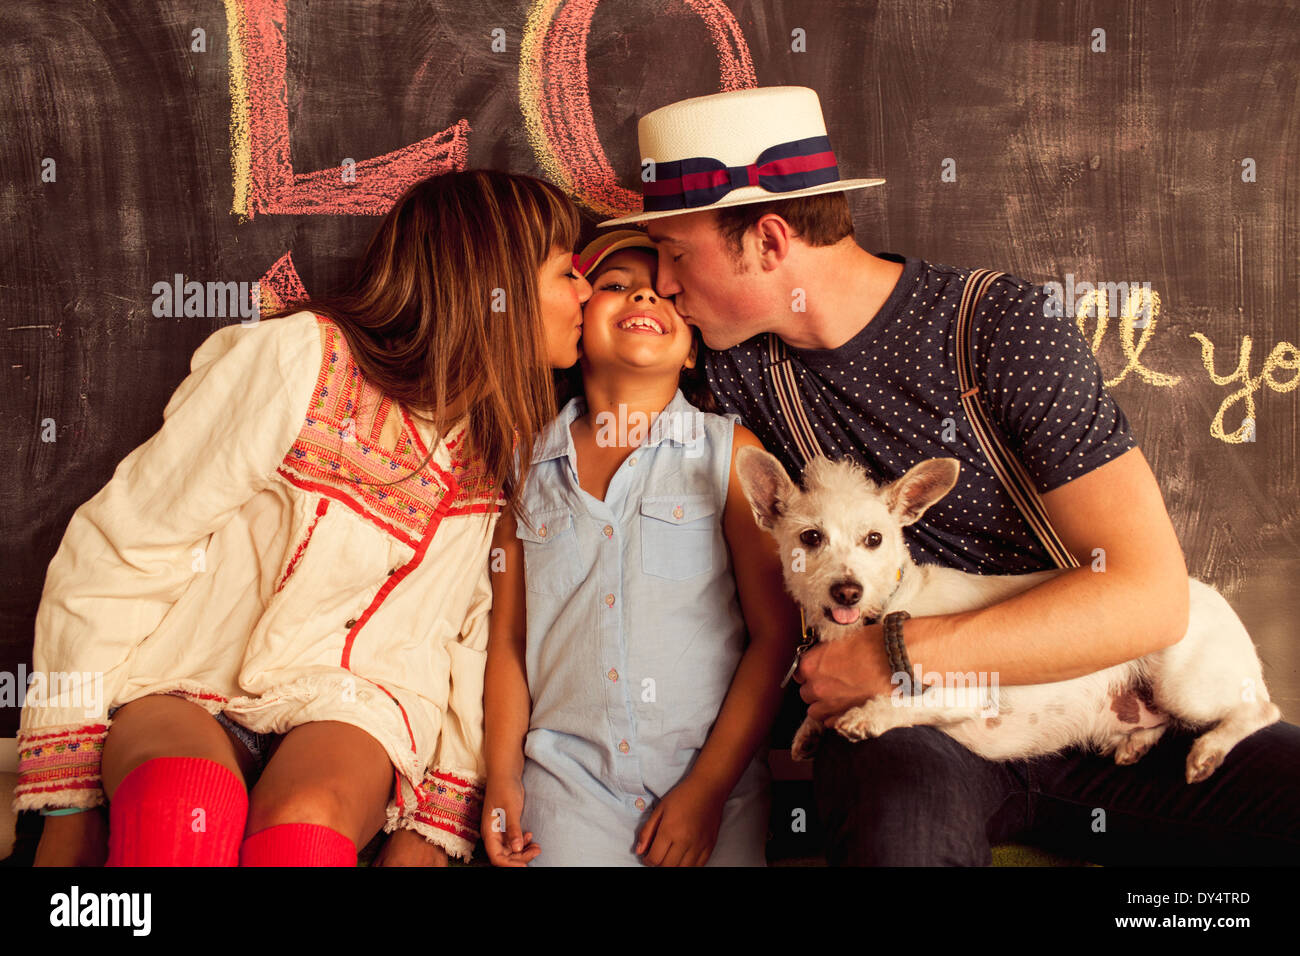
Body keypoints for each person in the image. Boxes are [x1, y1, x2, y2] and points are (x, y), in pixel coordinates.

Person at [597, 85, 1300, 865]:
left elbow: (1150, 593)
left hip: (1109, 701)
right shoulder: (734, 374)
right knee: (904, 833)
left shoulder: (1001, 328)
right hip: (920, 732)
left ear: (768, 241)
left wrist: (899, 651)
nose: (661, 281)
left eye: (675, 251)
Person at [17, 169, 590, 867]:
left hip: (354, 712)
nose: (586, 293)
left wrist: (431, 830)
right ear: (491, 285)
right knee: (184, 806)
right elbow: (124, 545)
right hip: (190, 681)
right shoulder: (301, 358)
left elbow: (473, 643)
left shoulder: (502, 448)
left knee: (304, 834)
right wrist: (67, 802)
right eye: (567, 273)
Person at [480, 230, 800, 866]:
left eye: (666, 294)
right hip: (568, 784)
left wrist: (707, 790)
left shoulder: (730, 454)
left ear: (690, 352)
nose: (644, 294)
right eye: (615, 285)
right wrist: (502, 778)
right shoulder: (523, 466)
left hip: (713, 782)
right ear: (576, 327)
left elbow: (777, 635)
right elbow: (509, 641)